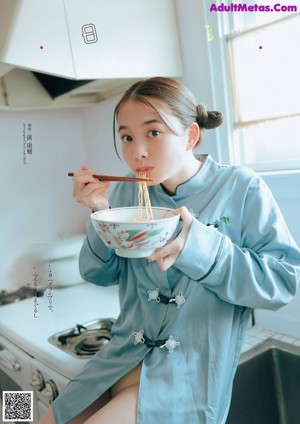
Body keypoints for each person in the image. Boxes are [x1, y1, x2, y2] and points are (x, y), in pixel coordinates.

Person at [39, 77, 300, 424]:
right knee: (37, 419)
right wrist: (98, 213)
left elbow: (284, 281)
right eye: (127, 137)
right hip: (121, 354)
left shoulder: (240, 187)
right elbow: (97, 274)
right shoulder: (123, 196)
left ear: (190, 136)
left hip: (188, 370)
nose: (137, 151)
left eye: (153, 133)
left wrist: (202, 247)